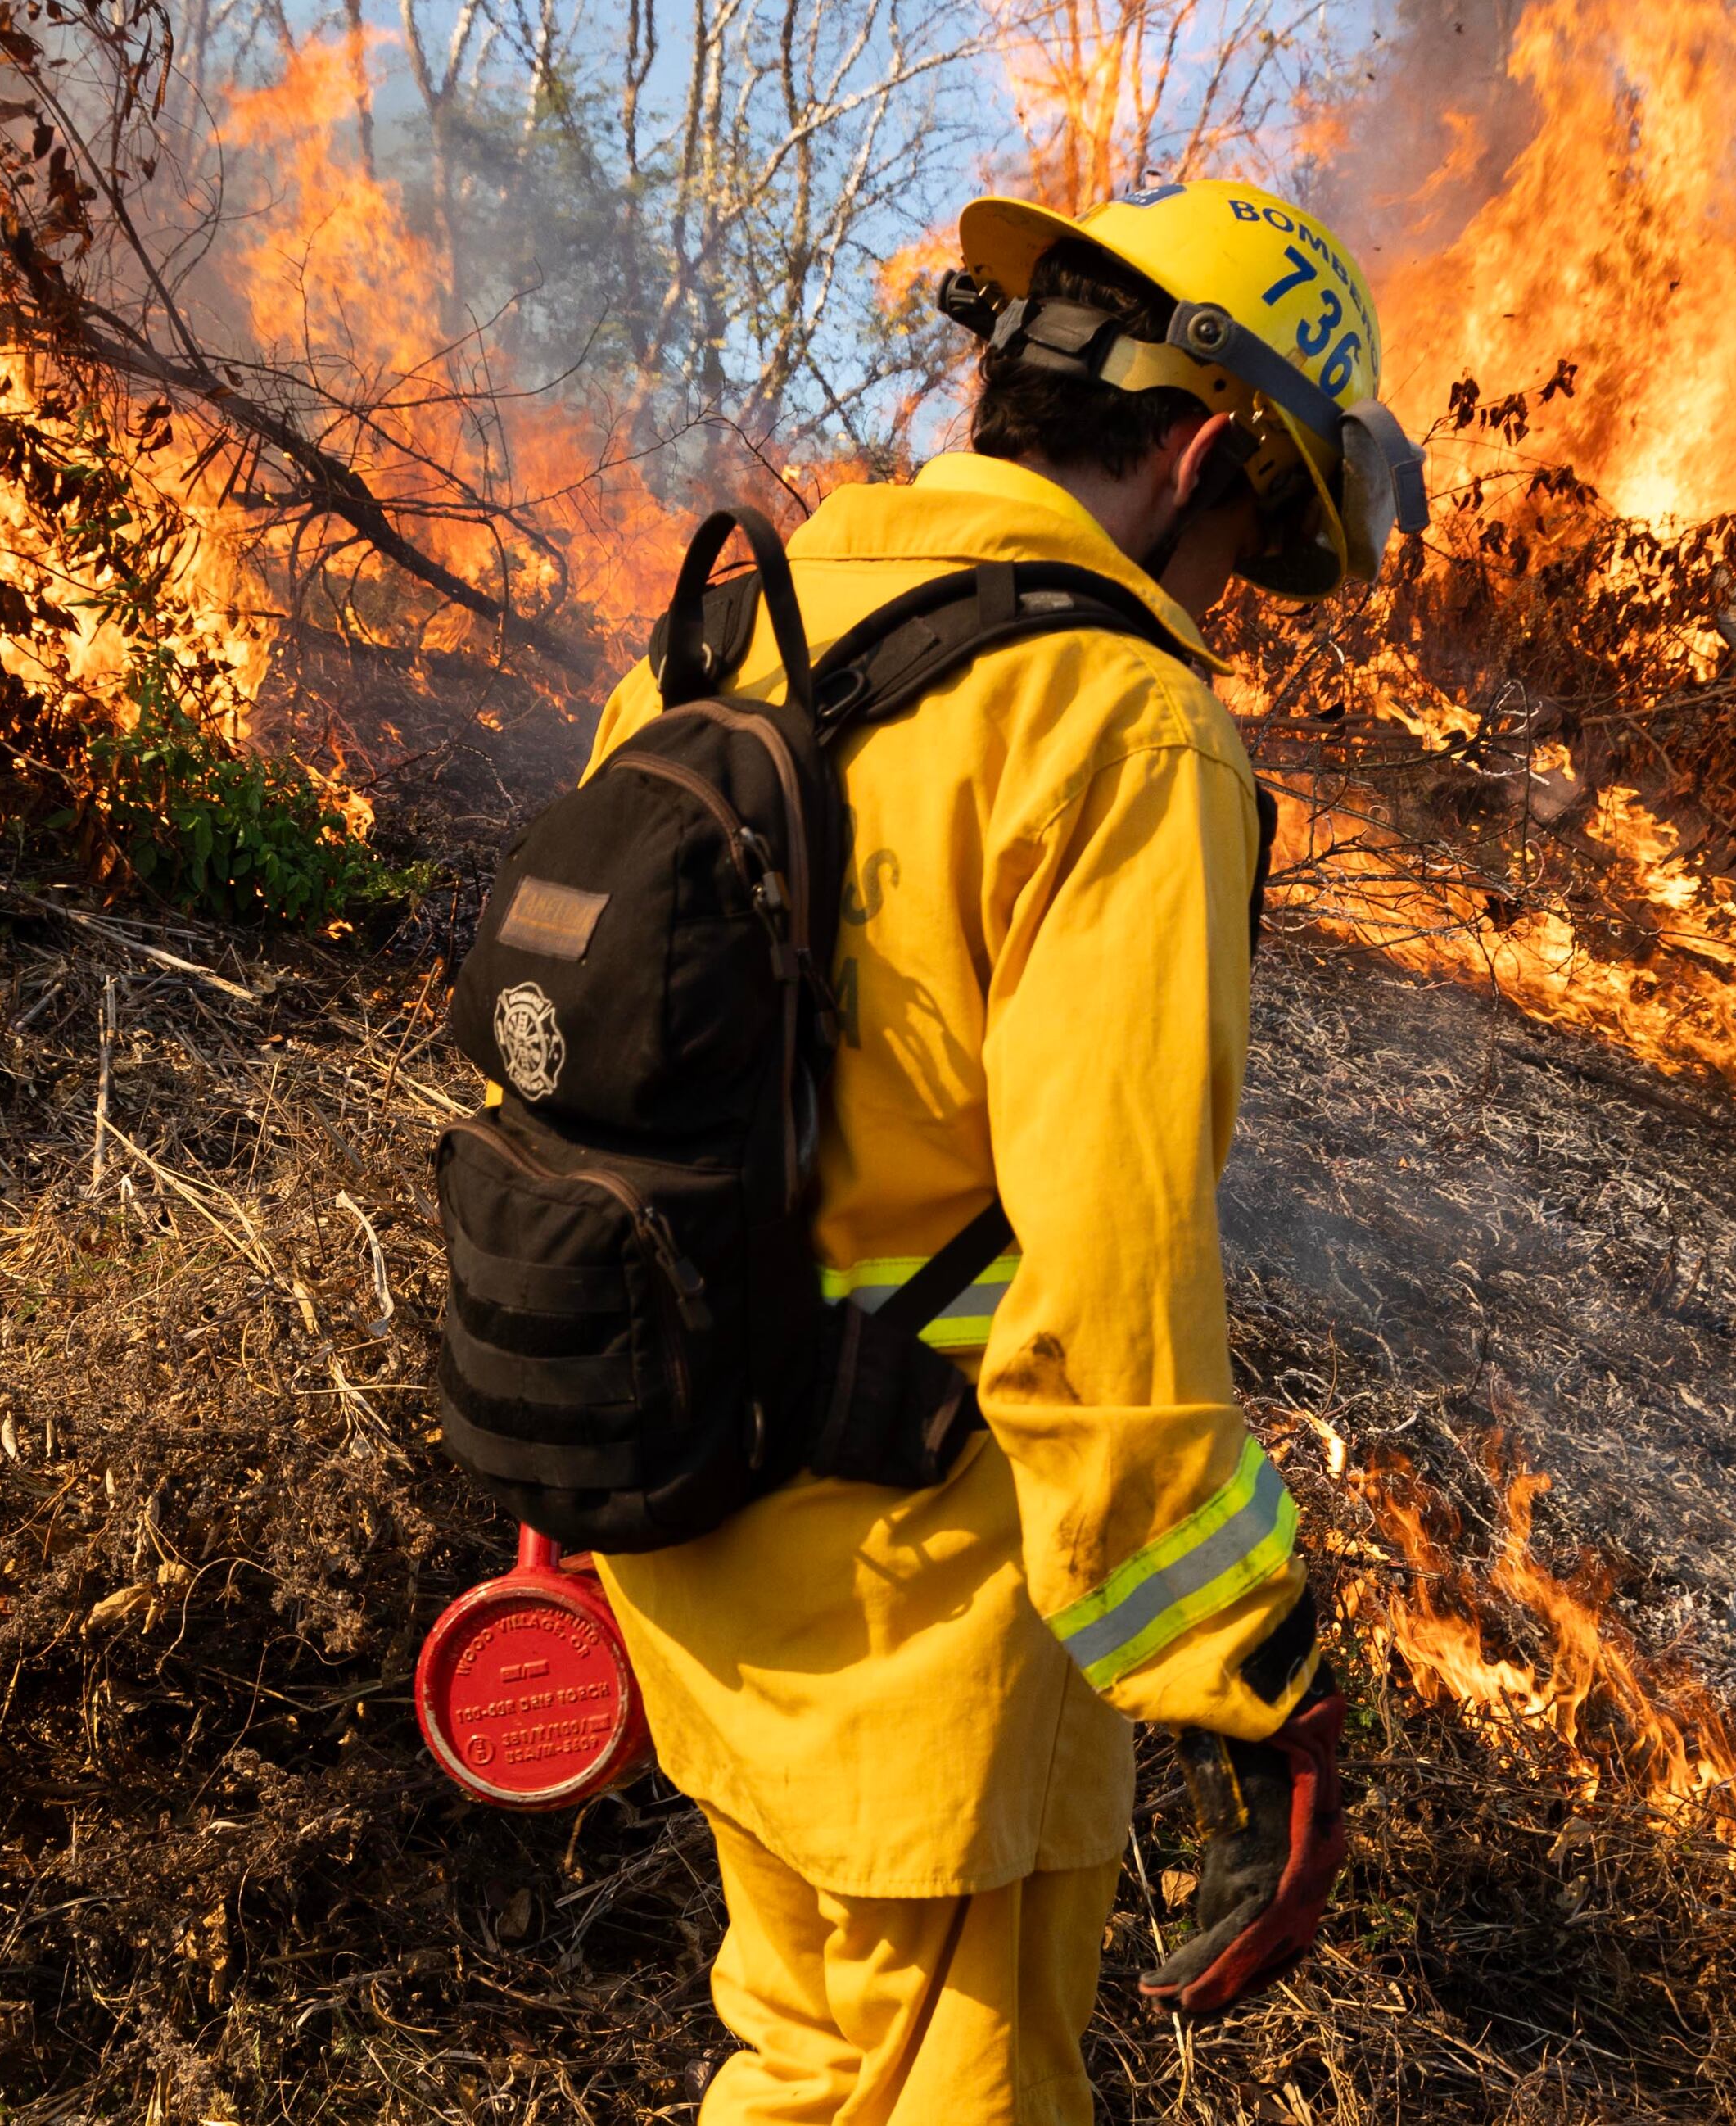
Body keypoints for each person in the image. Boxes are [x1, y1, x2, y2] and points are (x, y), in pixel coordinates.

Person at [581, 178, 1427, 2125]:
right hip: (919, 1612)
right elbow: (1108, 1294)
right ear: (1203, 447)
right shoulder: (1117, 722)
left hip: (698, 1531)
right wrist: (1250, 1672)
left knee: (803, 2064)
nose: (1224, 591)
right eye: (1253, 534)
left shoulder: (738, 634)